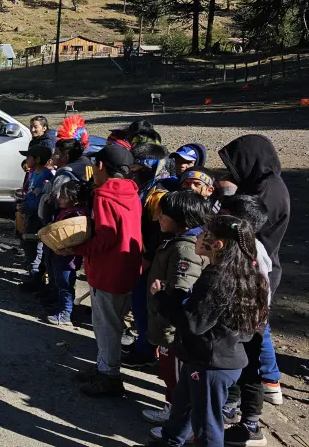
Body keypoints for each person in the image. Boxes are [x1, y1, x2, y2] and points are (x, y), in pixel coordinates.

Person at [150, 215, 269, 447]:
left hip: (210, 365)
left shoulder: (216, 278)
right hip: (211, 359)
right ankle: (169, 441)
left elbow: (194, 323)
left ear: (218, 245)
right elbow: (209, 311)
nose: (198, 236)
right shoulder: (245, 273)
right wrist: (178, 295)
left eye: (204, 233)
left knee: (206, 426)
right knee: (183, 408)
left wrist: (163, 299)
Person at [219, 135, 289, 409]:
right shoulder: (261, 185)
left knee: (254, 330)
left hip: (258, 267)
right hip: (258, 264)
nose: (233, 171)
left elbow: (247, 227)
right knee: (258, 326)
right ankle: (267, 382)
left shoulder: (269, 191)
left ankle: (260, 386)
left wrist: (228, 201)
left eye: (236, 164)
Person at [71, 145, 143, 397]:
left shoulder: (104, 196)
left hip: (107, 270)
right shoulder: (131, 192)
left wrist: (76, 248)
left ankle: (110, 376)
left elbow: (104, 238)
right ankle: (104, 367)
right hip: (128, 266)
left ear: (100, 166)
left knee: (106, 326)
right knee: (111, 323)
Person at [141, 190, 212, 426]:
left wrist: (161, 296)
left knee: (176, 374)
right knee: (169, 372)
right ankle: (173, 409)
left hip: (175, 327)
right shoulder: (179, 241)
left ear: (183, 218)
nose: (159, 217)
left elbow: (183, 291)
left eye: (165, 214)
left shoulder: (185, 249)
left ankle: (179, 421)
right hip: (168, 321)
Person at [218, 194, 276, 446]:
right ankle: (231, 405)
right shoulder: (237, 243)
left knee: (251, 369)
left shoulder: (253, 249)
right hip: (238, 316)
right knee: (236, 365)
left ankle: (251, 424)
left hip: (249, 318)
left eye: (223, 212)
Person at [124, 142, 176, 370]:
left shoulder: (159, 194)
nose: (133, 174)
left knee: (144, 307)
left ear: (150, 166)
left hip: (151, 261)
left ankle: (146, 350)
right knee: (139, 305)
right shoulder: (148, 187)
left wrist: (146, 259)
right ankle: (142, 343)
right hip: (143, 255)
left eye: (136, 169)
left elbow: (158, 233)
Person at [43, 180, 91, 325]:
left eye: (63, 197)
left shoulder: (77, 216)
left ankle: (66, 314)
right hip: (59, 254)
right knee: (60, 282)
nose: (59, 199)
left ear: (74, 200)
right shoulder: (66, 212)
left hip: (68, 257)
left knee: (66, 285)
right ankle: (61, 306)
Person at [17, 145, 54, 290]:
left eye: (29, 157)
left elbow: (43, 198)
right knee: (28, 242)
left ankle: (36, 273)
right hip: (31, 214)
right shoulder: (33, 173)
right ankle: (32, 270)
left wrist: (29, 205)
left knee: (35, 243)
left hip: (38, 216)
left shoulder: (46, 176)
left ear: (37, 159)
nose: (26, 160)